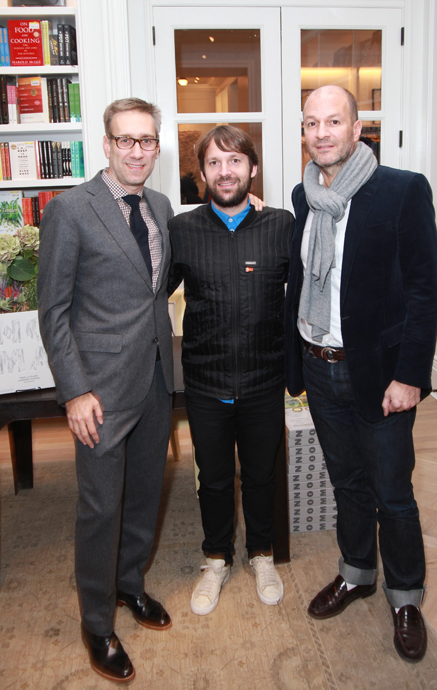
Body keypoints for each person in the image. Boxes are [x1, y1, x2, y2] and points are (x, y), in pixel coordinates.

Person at [285, 85, 437, 662]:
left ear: (356, 128)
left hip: (380, 376)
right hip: (319, 366)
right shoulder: (304, 197)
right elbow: (298, 285)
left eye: (333, 121)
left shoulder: (401, 190)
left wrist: (410, 375)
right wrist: (293, 361)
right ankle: (357, 574)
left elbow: (425, 291)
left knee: (392, 493)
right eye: (311, 123)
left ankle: (405, 597)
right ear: (303, 132)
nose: (321, 133)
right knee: (345, 484)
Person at [38, 98, 174, 683]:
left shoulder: (163, 206)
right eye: (127, 140)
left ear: (157, 146)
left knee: (145, 494)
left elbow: (157, 290)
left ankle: (130, 585)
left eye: (147, 140)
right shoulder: (71, 210)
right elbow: (54, 310)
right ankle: (97, 621)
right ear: (107, 145)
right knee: (100, 507)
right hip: (98, 391)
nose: (138, 150)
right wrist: (73, 392)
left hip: (156, 377)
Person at [169, 125, 294, 615]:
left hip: (266, 379)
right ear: (202, 174)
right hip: (206, 380)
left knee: (261, 476)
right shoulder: (183, 230)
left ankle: (261, 554)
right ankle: (216, 558)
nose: (226, 171)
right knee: (215, 479)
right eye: (215, 163)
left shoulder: (281, 225)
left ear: (253, 169)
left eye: (236, 161)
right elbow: (151, 291)